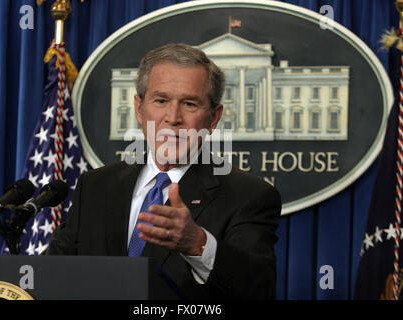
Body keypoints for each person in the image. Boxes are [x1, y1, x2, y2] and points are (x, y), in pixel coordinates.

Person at [46, 43, 282, 299]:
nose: (173, 117)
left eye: (190, 104)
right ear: (139, 108)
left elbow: (258, 289)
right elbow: (53, 273)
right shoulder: (95, 186)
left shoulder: (248, 195)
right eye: (161, 100)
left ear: (213, 118)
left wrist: (197, 244)